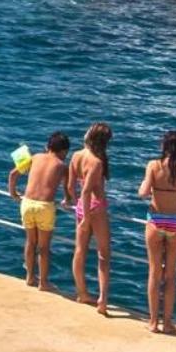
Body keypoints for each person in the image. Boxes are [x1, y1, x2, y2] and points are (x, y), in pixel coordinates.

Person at [138, 130, 176, 333]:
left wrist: (150, 187)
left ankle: (153, 322)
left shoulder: (153, 165)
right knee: (171, 275)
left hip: (156, 221)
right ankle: (168, 323)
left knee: (154, 273)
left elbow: (143, 193)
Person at [8, 131, 71, 290]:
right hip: (44, 206)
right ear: (63, 151)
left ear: (47, 146)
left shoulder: (35, 157)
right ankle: (43, 282)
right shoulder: (62, 166)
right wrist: (67, 201)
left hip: (27, 203)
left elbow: (13, 174)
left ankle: (29, 277)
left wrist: (13, 193)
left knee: (30, 242)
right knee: (43, 247)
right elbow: (68, 190)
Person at [68, 122, 114, 312]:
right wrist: (87, 218)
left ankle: (82, 292)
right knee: (103, 255)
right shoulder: (96, 161)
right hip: (95, 209)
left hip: (80, 207)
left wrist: (73, 204)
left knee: (80, 251)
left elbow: (72, 187)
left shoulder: (76, 156)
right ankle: (102, 300)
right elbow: (87, 191)